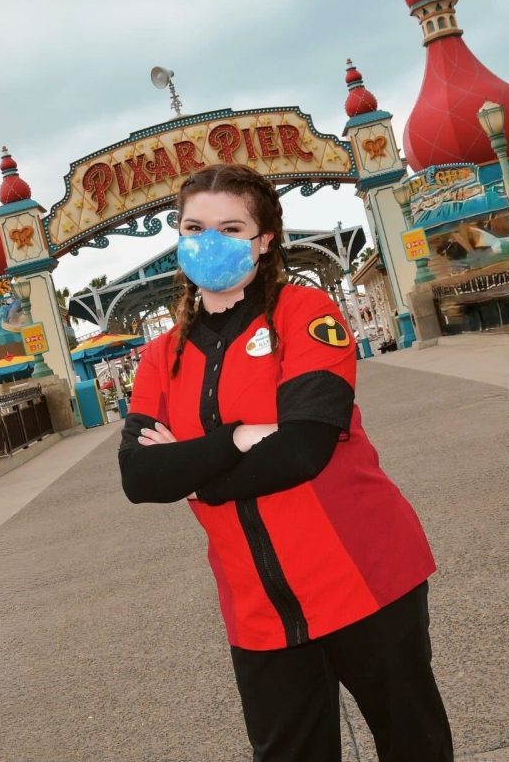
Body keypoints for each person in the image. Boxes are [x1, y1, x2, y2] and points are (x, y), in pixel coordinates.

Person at [118, 163, 454, 761]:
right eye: (194, 226)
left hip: (364, 577)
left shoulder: (305, 314)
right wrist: (241, 438)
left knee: (413, 744)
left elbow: (302, 451)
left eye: (230, 227)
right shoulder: (158, 360)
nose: (208, 241)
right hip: (259, 606)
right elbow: (140, 478)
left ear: (265, 239)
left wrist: (196, 478)